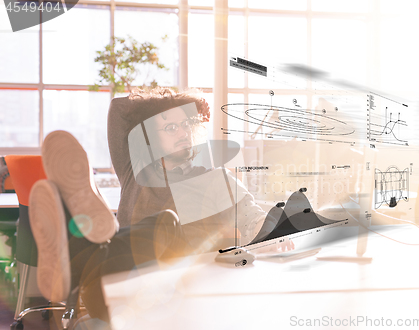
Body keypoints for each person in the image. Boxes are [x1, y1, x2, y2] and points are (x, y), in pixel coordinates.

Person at [30, 87, 291, 324]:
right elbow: (118, 109)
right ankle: (82, 251)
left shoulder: (214, 178)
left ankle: (76, 252)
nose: (183, 132)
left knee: (165, 226)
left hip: (173, 292)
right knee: (161, 226)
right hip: (116, 286)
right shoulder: (135, 171)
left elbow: (253, 217)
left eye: (186, 124)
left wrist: (274, 235)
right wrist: (183, 100)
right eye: (170, 128)